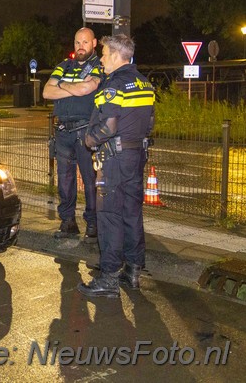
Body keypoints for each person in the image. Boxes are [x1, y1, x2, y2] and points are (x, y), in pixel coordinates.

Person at [76, 34, 155, 298]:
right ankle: (132, 271)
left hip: (114, 159)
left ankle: (108, 277)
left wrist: (89, 140)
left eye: (105, 53)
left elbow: (108, 127)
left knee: (108, 215)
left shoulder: (114, 86)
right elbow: (150, 123)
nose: (101, 58)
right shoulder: (145, 84)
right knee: (132, 213)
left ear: (118, 56)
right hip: (136, 157)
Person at [42, 27, 102, 243]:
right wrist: (73, 86)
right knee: (64, 181)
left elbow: (88, 89)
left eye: (85, 42)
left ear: (94, 43)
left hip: (86, 132)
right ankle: (68, 222)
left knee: (90, 181)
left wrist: (61, 84)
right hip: (63, 133)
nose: (80, 47)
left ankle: (93, 224)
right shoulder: (63, 65)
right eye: (77, 42)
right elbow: (46, 92)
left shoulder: (98, 65)